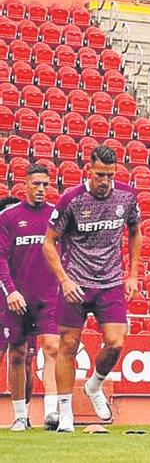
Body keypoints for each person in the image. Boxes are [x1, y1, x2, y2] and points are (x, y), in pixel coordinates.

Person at [43, 146, 142, 432]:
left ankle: (94, 385)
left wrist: (133, 275)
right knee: (69, 345)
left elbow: (135, 232)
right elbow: (49, 243)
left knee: (116, 342)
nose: (105, 181)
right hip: (75, 282)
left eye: (110, 175)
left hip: (110, 282)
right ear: (89, 169)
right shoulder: (71, 199)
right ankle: (65, 414)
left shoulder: (126, 195)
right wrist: (64, 279)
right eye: (100, 174)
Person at [1, 166, 61, 431]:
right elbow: (1, 257)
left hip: (48, 297)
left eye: (45, 184)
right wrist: (10, 290)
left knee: (52, 348)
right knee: (18, 355)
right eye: (36, 183)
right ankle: (20, 416)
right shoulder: (9, 217)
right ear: (25, 185)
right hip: (16, 298)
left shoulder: (55, 216)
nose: (41, 189)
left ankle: (51, 411)